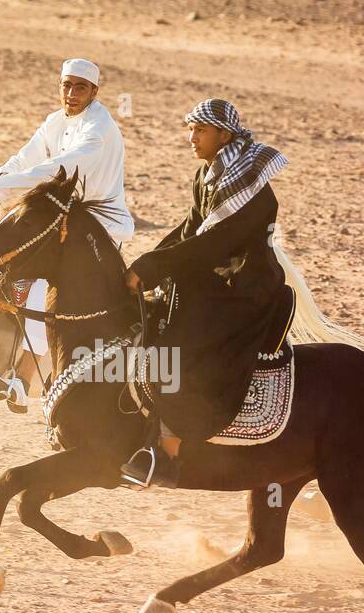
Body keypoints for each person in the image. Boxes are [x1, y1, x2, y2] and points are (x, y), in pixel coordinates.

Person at [120, 98, 293, 489]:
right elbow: (190, 230)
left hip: (246, 290)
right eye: (191, 129)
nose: (191, 138)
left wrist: (154, 267)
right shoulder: (207, 175)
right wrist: (146, 262)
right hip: (217, 280)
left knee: (184, 348)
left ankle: (168, 454)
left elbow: (215, 243)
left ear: (224, 134)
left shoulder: (248, 184)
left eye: (200, 130)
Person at [0, 58, 134, 411]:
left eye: (80, 87)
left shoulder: (99, 128)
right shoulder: (55, 122)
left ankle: (25, 379)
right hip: (65, 218)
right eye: (66, 85)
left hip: (98, 225)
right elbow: (26, 157)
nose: (71, 93)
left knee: (39, 288)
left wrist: (1, 190)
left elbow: (61, 168)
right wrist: (1, 177)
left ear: (94, 92)